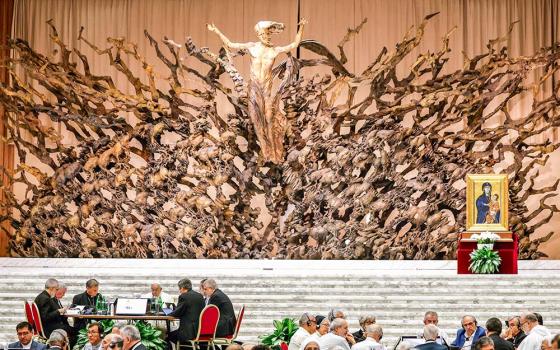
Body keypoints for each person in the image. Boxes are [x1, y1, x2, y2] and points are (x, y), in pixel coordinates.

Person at [207, 19, 307, 164]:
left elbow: (294, 44)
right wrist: (216, 31)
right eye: (263, 34)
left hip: (266, 88)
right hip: (254, 87)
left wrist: (302, 27)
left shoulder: (274, 50)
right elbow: (230, 44)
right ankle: (266, 151)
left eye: (267, 34)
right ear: (259, 35)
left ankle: (275, 153)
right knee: (255, 119)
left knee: (268, 117)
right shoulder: (251, 46)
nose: (265, 36)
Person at [34, 278, 75, 344]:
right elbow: (45, 317)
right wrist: (58, 311)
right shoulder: (46, 298)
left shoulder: (42, 296)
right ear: (52, 288)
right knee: (75, 331)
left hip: (47, 326)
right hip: (48, 328)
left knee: (70, 328)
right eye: (56, 289)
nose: (56, 291)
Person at [167, 278, 205, 345]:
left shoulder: (184, 296)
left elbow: (177, 313)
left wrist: (167, 314)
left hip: (187, 333)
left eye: (179, 288)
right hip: (199, 331)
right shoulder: (200, 296)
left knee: (168, 335)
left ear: (182, 288)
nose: (179, 291)